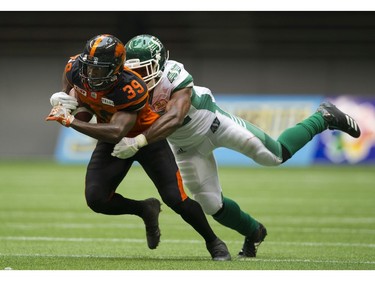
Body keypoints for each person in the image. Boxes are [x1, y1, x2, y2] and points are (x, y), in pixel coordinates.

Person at [111, 34, 361, 258]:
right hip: (185, 147)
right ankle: (254, 231)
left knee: (274, 156)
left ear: (160, 64)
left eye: (145, 69)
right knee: (211, 204)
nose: (139, 77)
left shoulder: (174, 75)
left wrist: (140, 141)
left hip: (214, 125)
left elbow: (175, 117)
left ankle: (323, 117)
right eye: (133, 71)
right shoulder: (128, 86)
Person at [45, 34, 231, 261]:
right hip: (111, 138)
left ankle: (214, 242)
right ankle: (145, 209)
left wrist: (72, 120)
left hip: (144, 139)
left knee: (176, 198)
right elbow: (73, 82)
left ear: (115, 69)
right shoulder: (76, 67)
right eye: (89, 68)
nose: (91, 75)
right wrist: (64, 96)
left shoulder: (130, 87)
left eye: (99, 70)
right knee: (96, 199)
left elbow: (117, 131)